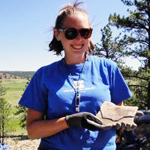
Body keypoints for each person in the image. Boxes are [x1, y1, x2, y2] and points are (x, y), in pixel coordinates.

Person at [19, 1, 132, 149]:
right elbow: (32, 131)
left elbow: (119, 115)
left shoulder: (108, 69)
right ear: (57, 34)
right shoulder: (44, 75)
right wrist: (69, 121)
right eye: (71, 32)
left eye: (85, 32)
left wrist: (124, 121)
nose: (79, 39)